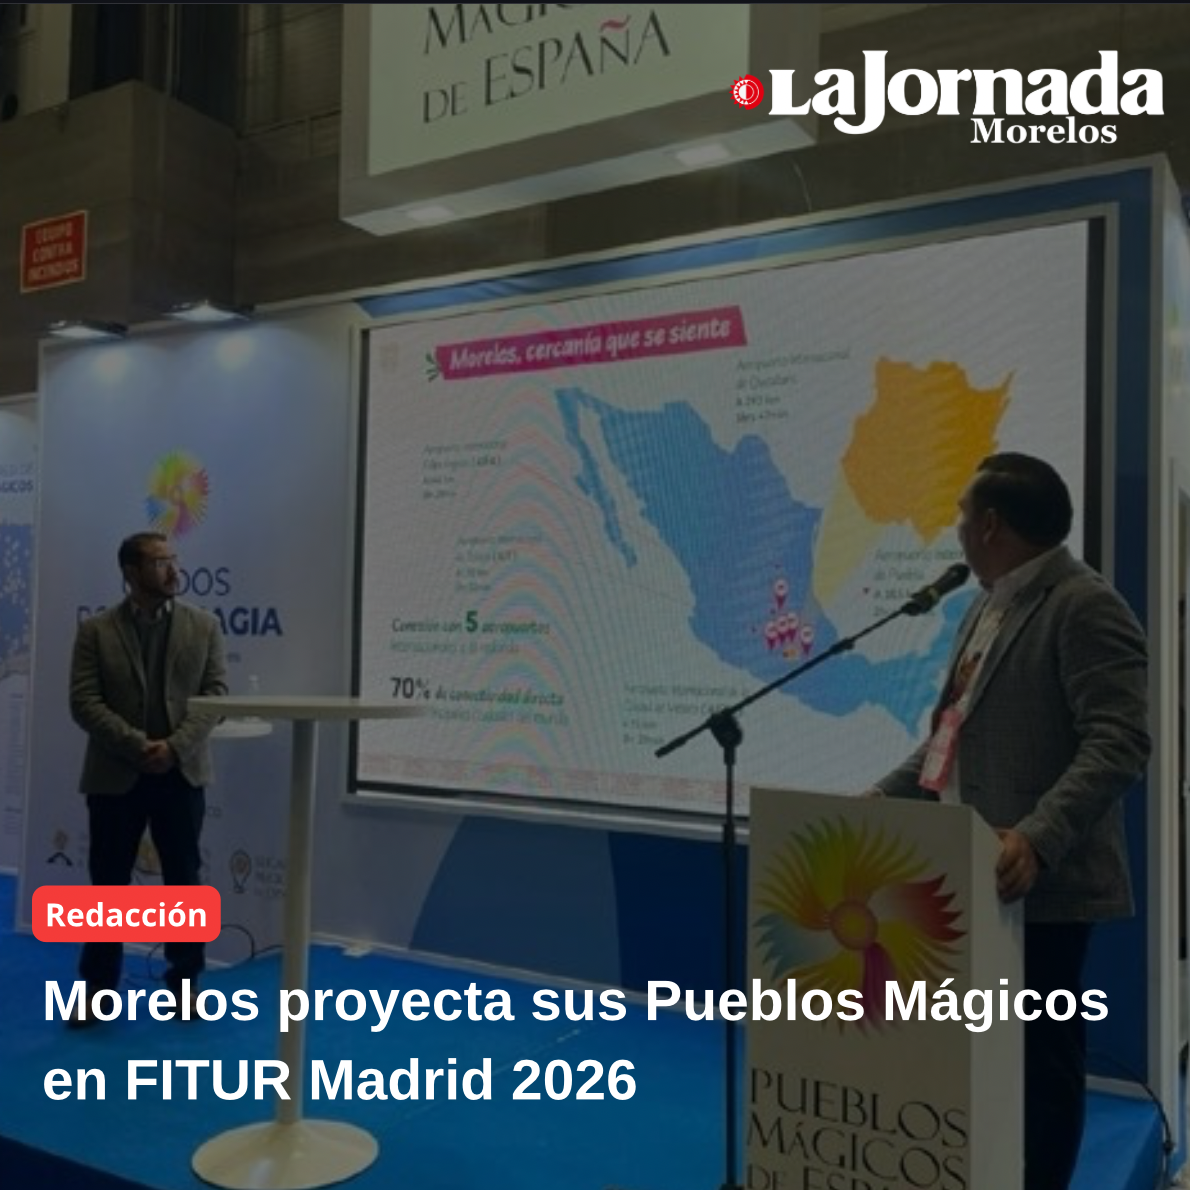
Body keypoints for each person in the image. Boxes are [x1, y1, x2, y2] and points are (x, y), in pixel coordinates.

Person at [869, 452, 1150, 1190]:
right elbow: (950, 735)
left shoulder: (1084, 604)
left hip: (1039, 883)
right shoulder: (984, 605)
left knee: (1041, 1061)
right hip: (965, 871)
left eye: (963, 516)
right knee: (981, 1055)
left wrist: (1037, 836)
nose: (958, 530)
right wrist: (881, 800)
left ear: (991, 525)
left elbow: (1121, 740)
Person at [68, 531, 227, 1023]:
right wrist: (138, 746)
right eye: (160, 562)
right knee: (108, 887)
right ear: (131, 573)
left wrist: (174, 747)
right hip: (116, 774)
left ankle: (186, 985)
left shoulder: (204, 625)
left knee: (184, 884)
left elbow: (216, 696)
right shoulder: (96, 631)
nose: (173, 569)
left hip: (181, 773)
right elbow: (84, 702)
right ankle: (97, 991)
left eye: (173, 559)